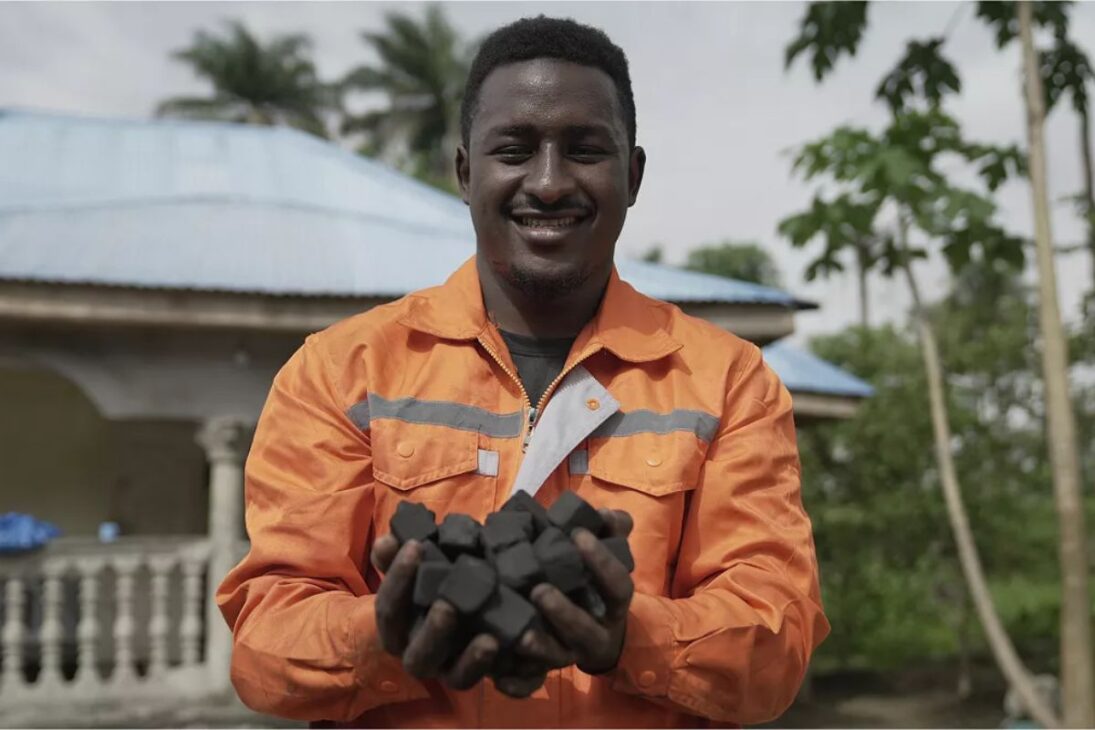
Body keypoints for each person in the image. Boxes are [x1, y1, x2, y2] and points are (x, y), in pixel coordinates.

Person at [218, 15, 829, 728]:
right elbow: (264, 647)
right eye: (514, 150)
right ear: (464, 171)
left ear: (630, 176)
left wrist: (634, 637)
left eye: (583, 150)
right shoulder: (341, 372)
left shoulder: (727, 383)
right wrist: (381, 636)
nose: (547, 182)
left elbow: (774, 643)